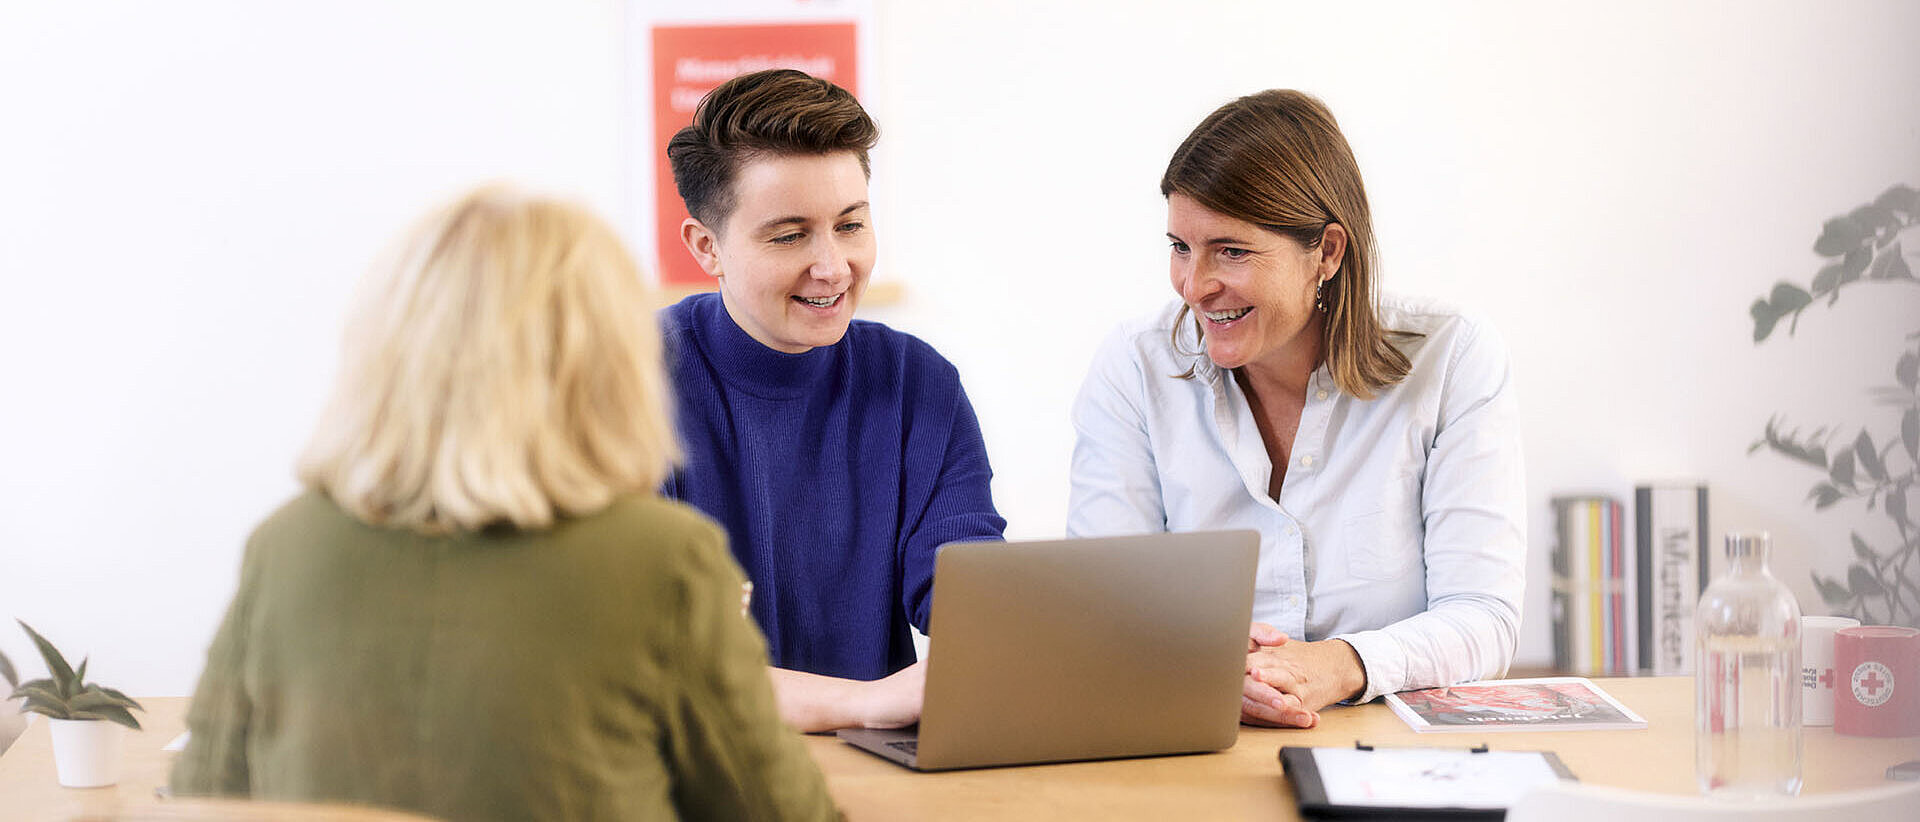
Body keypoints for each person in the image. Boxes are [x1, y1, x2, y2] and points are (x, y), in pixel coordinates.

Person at [170, 186, 838, 820]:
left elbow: (205, 796)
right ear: (606, 359)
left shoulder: (288, 545)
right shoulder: (659, 560)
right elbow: (779, 812)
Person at [1067, 90, 1526, 728]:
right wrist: (1220, 671)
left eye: (1231, 250)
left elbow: (1484, 616)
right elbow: (1101, 606)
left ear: (1328, 253)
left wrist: (1338, 664)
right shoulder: (1135, 366)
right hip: (1200, 739)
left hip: (1393, 756)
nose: (1194, 286)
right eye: (1180, 246)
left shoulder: (1452, 357)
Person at [663, 69, 1006, 733]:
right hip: (694, 766)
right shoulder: (621, 388)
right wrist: (863, 703)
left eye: (850, 226)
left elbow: (971, 599)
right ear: (708, 247)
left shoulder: (917, 383)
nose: (831, 266)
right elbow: (646, 658)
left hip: (876, 769)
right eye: (789, 236)